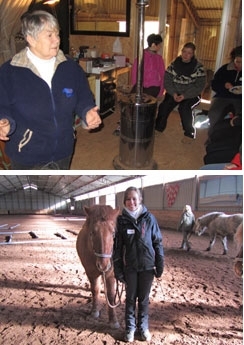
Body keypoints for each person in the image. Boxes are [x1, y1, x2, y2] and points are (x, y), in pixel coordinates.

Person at [0, 10, 101, 169]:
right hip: (26, 154)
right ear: (31, 39)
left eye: (57, 34)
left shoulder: (70, 67)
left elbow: (83, 95)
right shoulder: (8, 72)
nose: (56, 40)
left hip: (63, 149)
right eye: (49, 35)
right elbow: (2, 105)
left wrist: (87, 111)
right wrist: (4, 121)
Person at [113, 187, 164, 343]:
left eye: (134, 198)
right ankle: (130, 328)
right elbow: (117, 248)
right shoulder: (121, 222)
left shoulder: (150, 219)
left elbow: (157, 242)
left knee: (143, 300)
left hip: (147, 267)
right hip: (131, 268)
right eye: (128, 199)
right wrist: (118, 268)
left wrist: (160, 262)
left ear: (140, 200)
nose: (131, 202)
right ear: (124, 202)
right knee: (130, 299)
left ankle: (143, 327)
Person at [155, 42, 206, 140]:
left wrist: (185, 95)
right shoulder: (173, 65)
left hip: (191, 94)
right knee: (164, 106)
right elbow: (167, 81)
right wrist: (173, 93)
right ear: (181, 52)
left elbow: (199, 86)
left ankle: (189, 133)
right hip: (174, 92)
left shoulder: (199, 68)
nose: (186, 55)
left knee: (184, 108)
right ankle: (158, 128)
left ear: (193, 54)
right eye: (184, 52)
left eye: (189, 53)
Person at [207, 45, 242, 138]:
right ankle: (212, 138)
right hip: (222, 96)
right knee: (214, 114)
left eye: (243, 62)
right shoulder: (225, 69)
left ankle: (235, 141)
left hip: (241, 99)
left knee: (240, 117)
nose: (240, 65)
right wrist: (224, 85)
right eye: (237, 62)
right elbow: (214, 84)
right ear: (233, 59)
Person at [130, 33, 165, 99]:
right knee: (131, 100)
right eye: (159, 45)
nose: (160, 47)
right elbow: (134, 73)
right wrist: (136, 86)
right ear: (153, 45)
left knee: (145, 100)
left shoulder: (159, 59)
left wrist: (161, 91)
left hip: (154, 86)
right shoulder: (141, 56)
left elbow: (163, 75)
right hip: (140, 85)